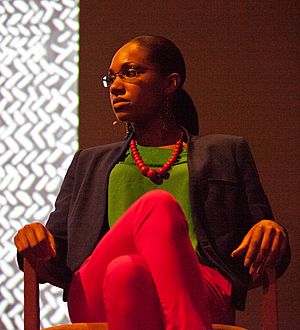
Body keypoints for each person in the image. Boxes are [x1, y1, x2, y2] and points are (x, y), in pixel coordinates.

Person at [14, 35, 290, 330]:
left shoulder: (225, 151)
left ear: (170, 83)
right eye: (111, 79)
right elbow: (57, 254)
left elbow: (268, 245)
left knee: (126, 270)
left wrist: (272, 230)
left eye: (131, 72)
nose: (116, 86)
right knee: (155, 208)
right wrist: (35, 241)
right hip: (97, 291)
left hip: (201, 286)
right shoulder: (89, 161)